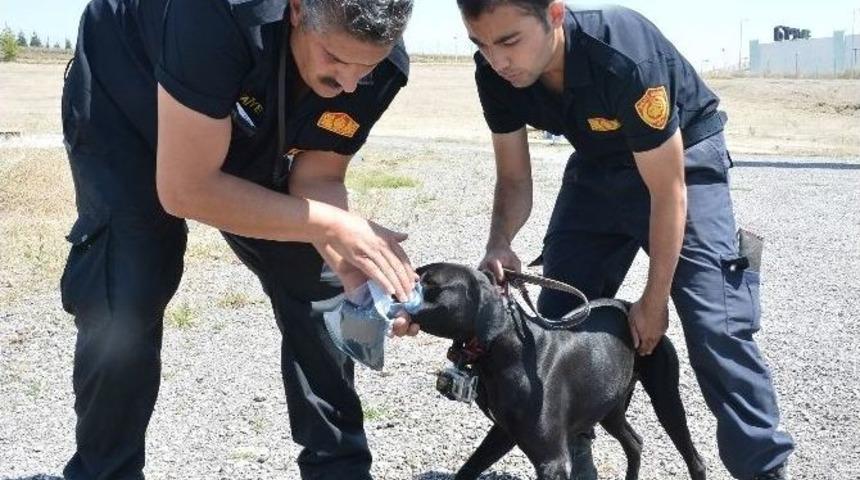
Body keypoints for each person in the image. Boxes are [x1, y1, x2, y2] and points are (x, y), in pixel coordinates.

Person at [59, 0, 419, 478]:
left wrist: (351, 263)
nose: (349, 84)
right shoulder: (216, 14)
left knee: (319, 280)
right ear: (296, 10)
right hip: (130, 89)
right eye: (335, 58)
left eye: (366, 67)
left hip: (234, 101)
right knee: (129, 285)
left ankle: (340, 470)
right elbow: (187, 189)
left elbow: (318, 179)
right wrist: (335, 225)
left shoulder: (381, 66)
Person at [455, 1, 795, 479]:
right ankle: (577, 461)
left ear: (554, 14)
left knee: (716, 326)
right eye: (481, 45)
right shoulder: (494, 74)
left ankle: (763, 470)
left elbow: (668, 190)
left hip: (683, 162)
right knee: (555, 322)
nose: (498, 60)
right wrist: (499, 240)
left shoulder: (622, 55)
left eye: (509, 41)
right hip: (598, 166)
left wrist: (655, 299)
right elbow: (513, 178)